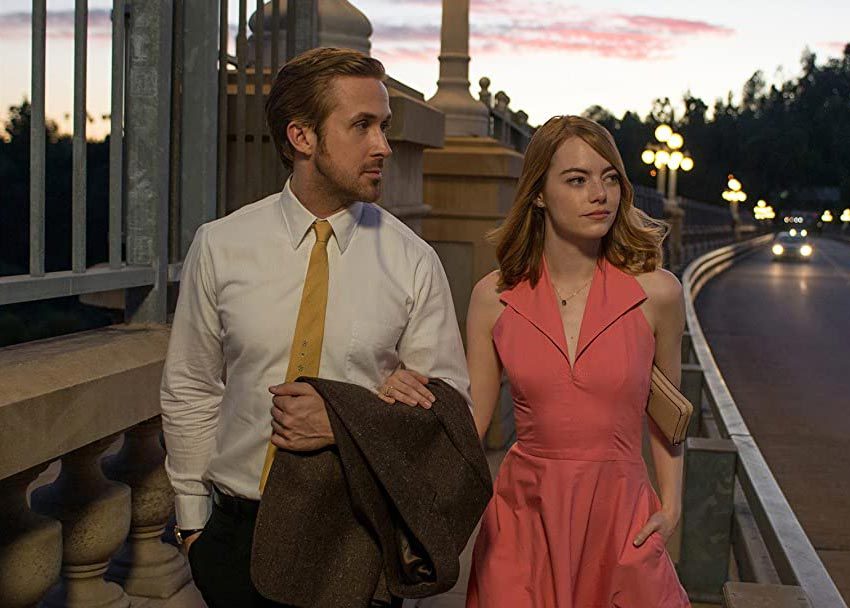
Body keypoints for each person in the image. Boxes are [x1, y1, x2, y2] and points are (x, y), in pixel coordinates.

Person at [160, 47, 470, 607]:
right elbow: (191, 390)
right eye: (362, 126)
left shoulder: (414, 261)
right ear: (302, 137)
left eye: (385, 126)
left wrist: (347, 422)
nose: (382, 146)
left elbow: (449, 421)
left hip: (353, 538)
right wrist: (193, 530)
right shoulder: (221, 246)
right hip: (236, 538)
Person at [385, 116, 691, 606]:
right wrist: (408, 400)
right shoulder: (494, 297)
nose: (600, 194)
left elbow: (668, 417)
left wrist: (671, 507)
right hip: (522, 519)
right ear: (540, 194)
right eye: (577, 179)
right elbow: (473, 424)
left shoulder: (657, 293)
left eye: (609, 177)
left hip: (620, 517)